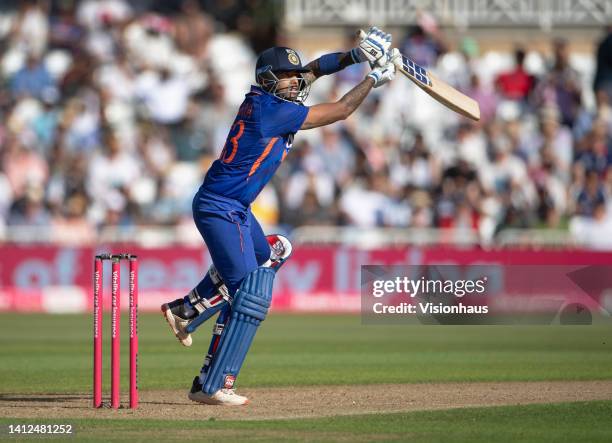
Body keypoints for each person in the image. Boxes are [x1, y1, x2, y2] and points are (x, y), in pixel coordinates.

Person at [161, 27, 397, 406]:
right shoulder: (272, 111)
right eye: (287, 77)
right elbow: (340, 110)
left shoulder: (270, 98)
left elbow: (315, 69)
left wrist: (358, 55)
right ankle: (212, 384)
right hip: (220, 207)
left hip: (233, 206)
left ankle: (185, 309)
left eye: (294, 76)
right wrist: (373, 78)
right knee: (248, 294)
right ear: (269, 80)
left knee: (272, 252)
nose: (295, 81)